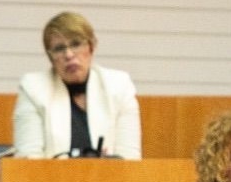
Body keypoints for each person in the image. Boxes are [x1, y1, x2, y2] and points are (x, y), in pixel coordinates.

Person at [12, 10, 139, 159]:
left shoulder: (119, 86)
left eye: (76, 44)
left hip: (109, 181)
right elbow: (28, 161)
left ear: (91, 47)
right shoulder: (33, 89)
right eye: (59, 48)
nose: (69, 55)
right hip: (50, 181)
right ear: (51, 57)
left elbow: (130, 161)